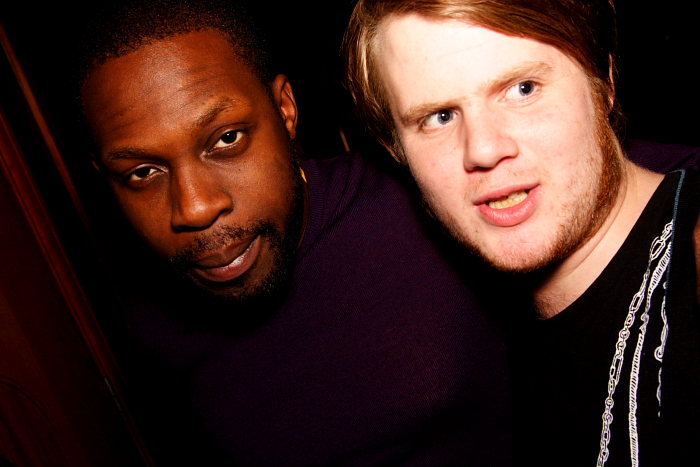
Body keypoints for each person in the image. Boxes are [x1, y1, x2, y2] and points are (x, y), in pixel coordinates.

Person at [77, 0, 513, 465]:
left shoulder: (426, 209)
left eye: (227, 139)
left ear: (285, 109)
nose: (195, 208)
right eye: (143, 172)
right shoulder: (150, 330)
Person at [344, 0, 700, 465]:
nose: (484, 149)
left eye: (523, 89)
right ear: (396, 150)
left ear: (605, 82)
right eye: (439, 117)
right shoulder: (487, 340)